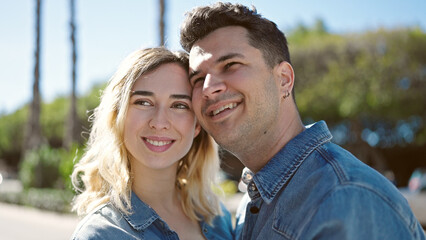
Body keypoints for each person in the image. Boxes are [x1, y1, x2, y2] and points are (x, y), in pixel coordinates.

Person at [180, 2, 425, 240]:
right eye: (198, 79)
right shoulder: (255, 199)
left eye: (231, 64)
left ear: (284, 79)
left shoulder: (344, 199)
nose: (209, 88)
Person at [70, 47, 233, 240]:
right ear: (117, 115)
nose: (159, 123)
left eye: (179, 105)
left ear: (197, 125)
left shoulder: (217, 217)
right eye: (144, 102)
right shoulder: (101, 234)